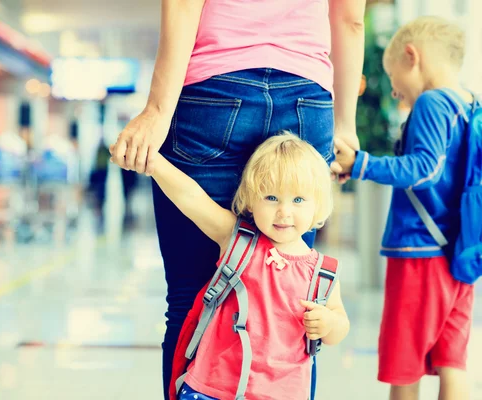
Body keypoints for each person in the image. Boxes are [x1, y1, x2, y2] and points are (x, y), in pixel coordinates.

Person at [109, 1, 366, 396]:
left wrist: (159, 110)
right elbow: (349, 20)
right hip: (306, 94)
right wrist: (345, 124)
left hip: (214, 86)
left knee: (191, 296)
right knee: (296, 304)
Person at [113, 133, 349, 399]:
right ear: (250, 199)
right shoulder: (240, 242)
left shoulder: (322, 273)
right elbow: (192, 198)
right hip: (213, 389)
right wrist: (152, 162)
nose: (284, 212)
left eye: (297, 200)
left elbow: (339, 325)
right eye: (271, 197)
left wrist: (328, 324)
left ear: (318, 205)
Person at [333, 16, 474, 400]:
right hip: (458, 254)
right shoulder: (468, 104)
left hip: (420, 254)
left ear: (412, 57)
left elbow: (424, 168)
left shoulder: (431, 102)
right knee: (453, 364)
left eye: (395, 82)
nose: (396, 94)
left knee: (404, 363)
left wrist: (360, 163)